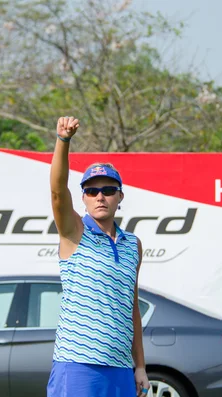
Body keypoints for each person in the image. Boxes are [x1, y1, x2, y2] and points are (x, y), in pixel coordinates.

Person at [47, 116, 151, 397]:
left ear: (120, 196)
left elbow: (133, 309)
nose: (100, 196)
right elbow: (57, 191)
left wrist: (139, 366)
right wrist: (63, 141)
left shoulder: (133, 244)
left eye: (108, 190)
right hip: (78, 364)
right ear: (83, 197)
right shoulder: (74, 232)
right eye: (92, 191)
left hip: (119, 367)